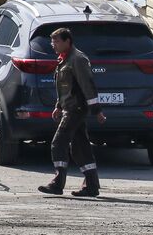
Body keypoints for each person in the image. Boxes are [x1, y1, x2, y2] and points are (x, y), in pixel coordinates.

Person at [39, 27, 106, 198]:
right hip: (69, 107)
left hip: (76, 109)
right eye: (52, 41)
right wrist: (58, 106)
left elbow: (87, 86)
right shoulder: (64, 59)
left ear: (67, 41)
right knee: (80, 147)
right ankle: (91, 186)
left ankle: (57, 183)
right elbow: (65, 87)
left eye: (56, 41)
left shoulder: (77, 59)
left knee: (58, 143)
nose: (53, 44)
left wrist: (97, 110)